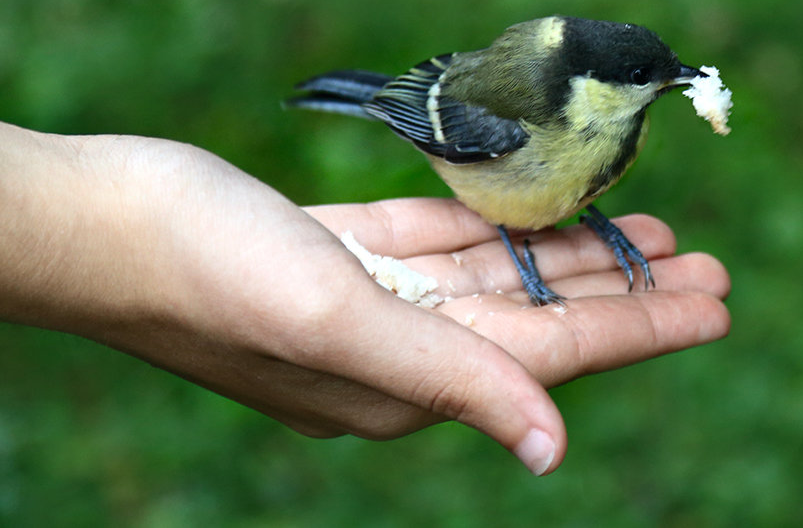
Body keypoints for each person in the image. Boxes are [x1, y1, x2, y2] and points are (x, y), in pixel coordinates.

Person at [0, 120, 730, 475]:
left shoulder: (615, 133)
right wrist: (146, 248)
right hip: (496, 185)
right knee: (514, 215)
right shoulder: (515, 118)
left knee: (572, 196)